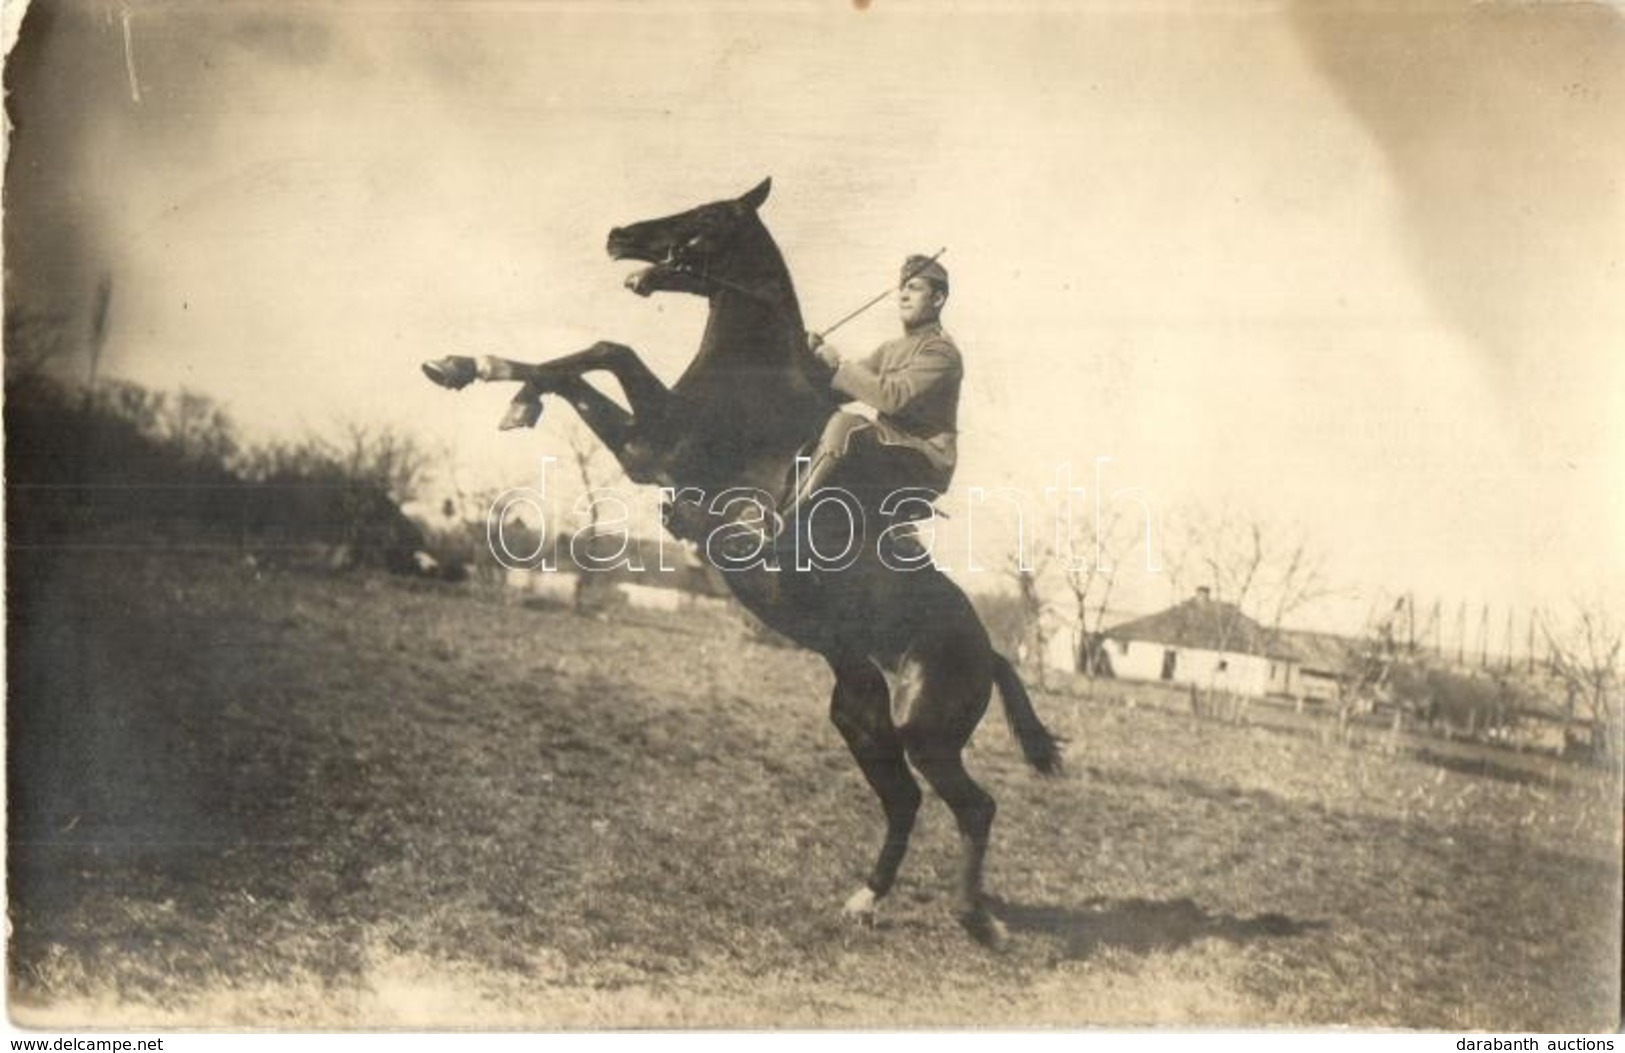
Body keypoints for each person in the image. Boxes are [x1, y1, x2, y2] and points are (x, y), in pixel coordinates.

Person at [781, 254, 963, 536]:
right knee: (823, 416)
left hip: (923, 462)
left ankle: (781, 523)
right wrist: (806, 357)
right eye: (902, 287)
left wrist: (837, 364)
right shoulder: (890, 349)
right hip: (890, 450)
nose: (903, 294)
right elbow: (837, 389)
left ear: (937, 299)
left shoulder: (941, 352)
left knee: (846, 425)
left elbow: (892, 397)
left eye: (914, 287)